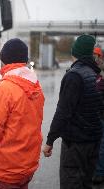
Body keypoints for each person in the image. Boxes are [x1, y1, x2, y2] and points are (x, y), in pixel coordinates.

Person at [0, 38, 45, 189]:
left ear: (3, 59)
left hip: (2, 171)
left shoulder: (3, 89)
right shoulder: (35, 87)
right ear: (25, 60)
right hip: (25, 167)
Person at [43, 35, 103, 189]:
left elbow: (63, 112)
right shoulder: (96, 75)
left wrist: (50, 140)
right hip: (94, 141)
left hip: (76, 144)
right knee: (86, 183)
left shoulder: (74, 76)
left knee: (72, 182)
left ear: (75, 52)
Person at [93, 47, 104, 184]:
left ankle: (99, 173)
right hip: (94, 114)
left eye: (97, 55)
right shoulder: (91, 72)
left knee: (101, 144)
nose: (96, 58)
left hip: (101, 114)